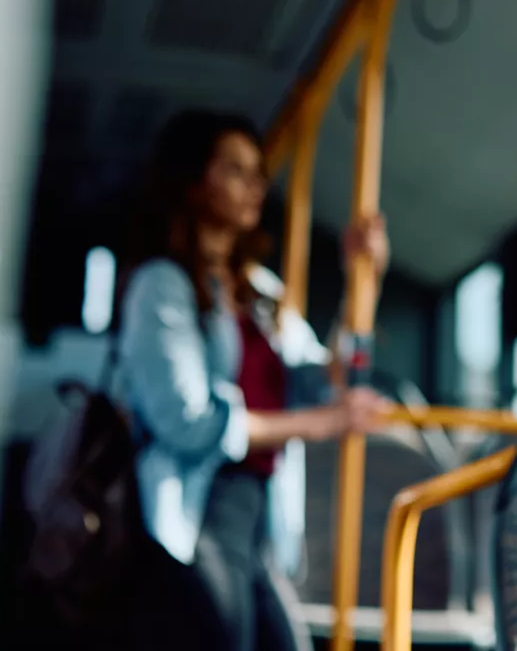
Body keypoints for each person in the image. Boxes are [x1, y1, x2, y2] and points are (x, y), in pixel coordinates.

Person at [117, 109, 394, 651]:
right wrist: (324, 423)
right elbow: (187, 421)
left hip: (261, 510)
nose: (254, 186)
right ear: (195, 182)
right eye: (235, 170)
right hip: (198, 510)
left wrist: (365, 281)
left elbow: (323, 377)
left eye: (257, 173)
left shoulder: (259, 293)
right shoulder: (162, 286)